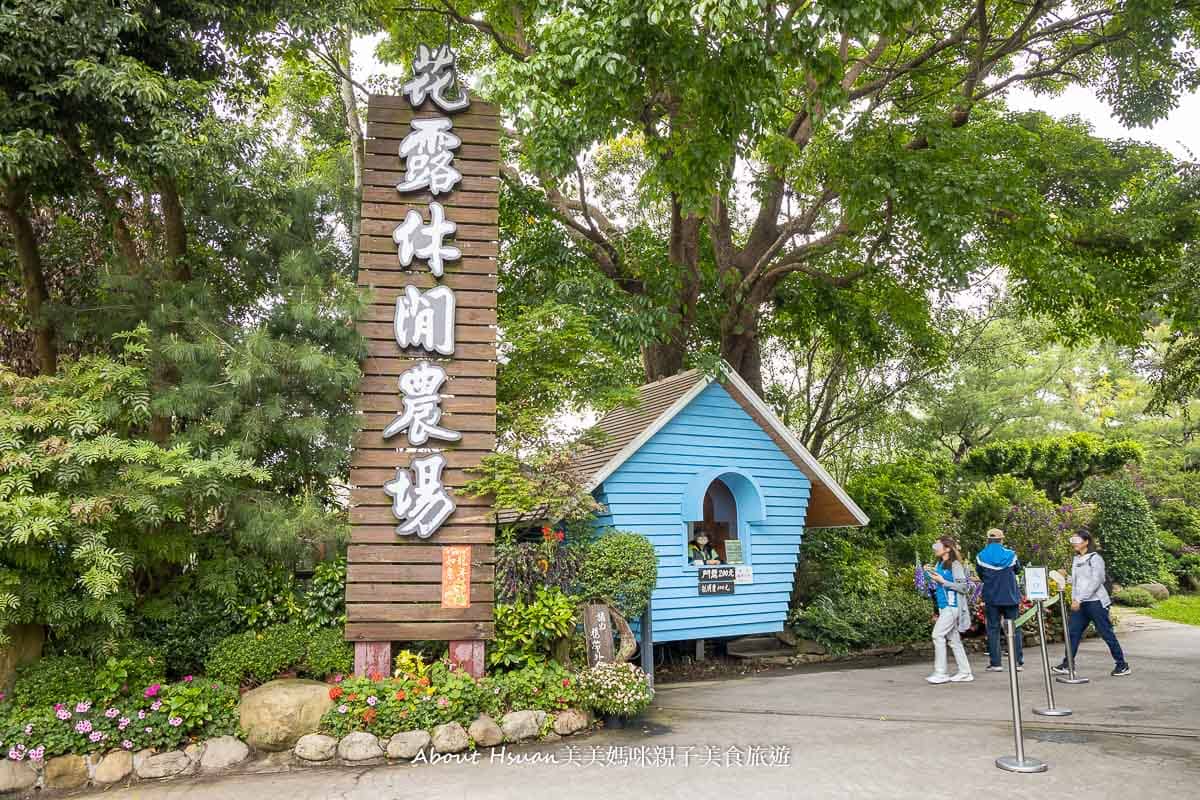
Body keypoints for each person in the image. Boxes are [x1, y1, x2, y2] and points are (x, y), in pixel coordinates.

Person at [1052, 530, 1131, 677]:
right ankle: (1068, 663)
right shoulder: (1076, 559)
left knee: (1106, 633)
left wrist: (1079, 599)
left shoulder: (1095, 559)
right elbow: (1079, 582)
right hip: (1081, 603)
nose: (1074, 543)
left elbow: (1096, 581)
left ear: (1086, 541)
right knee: (1073, 633)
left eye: (1077, 540)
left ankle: (1122, 665)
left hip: (1095, 603)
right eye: (1073, 540)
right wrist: (1066, 577)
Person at [925, 537, 974, 684]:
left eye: (938, 545)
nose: (935, 547)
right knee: (954, 641)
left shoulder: (955, 564)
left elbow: (963, 587)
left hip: (952, 607)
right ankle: (965, 672)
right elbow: (941, 582)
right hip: (944, 607)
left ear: (947, 548)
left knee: (937, 635)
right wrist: (932, 575)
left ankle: (941, 673)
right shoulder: (940, 564)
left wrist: (942, 581)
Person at [976, 528, 1024, 673]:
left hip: (992, 597)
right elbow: (1018, 570)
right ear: (1001, 540)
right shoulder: (1011, 555)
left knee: (993, 629)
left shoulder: (981, 556)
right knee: (1014, 628)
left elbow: (981, 575)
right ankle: (1017, 662)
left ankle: (996, 663)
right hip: (1010, 596)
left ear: (987, 540)